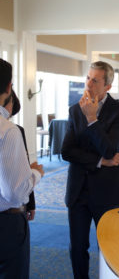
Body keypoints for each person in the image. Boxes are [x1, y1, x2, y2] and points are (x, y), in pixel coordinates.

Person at [61, 61, 119, 279]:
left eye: (95, 80)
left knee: (108, 248)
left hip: (107, 192)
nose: (89, 84)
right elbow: (66, 151)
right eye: (88, 78)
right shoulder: (75, 109)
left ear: (107, 86)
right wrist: (100, 161)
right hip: (78, 190)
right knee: (78, 248)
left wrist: (92, 119)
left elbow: (110, 150)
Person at [0, 58, 44, 279]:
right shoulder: (8, 131)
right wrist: (36, 173)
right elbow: (15, 192)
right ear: (9, 87)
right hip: (6, 224)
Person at [4, 89, 36, 221]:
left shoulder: (17, 130)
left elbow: (24, 168)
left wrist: (31, 204)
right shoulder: (12, 131)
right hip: (10, 209)